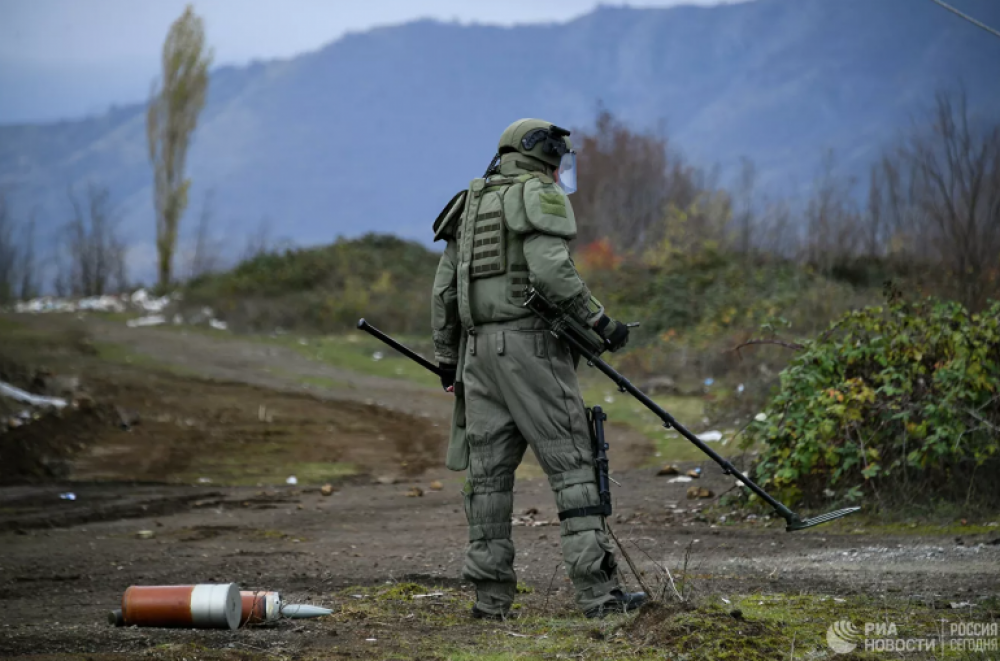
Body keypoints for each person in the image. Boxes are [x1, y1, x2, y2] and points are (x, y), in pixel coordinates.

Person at [430, 118, 645, 620]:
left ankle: (490, 601)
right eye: (558, 161)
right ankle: (599, 597)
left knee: (487, 479)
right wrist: (599, 321)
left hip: (477, 354)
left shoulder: (471, 202)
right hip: (529, 347)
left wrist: (447, 358)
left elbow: (444, 290)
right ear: (543, 155)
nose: (559, 171)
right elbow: (551, 269)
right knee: (572, 464)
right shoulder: (536, 194)